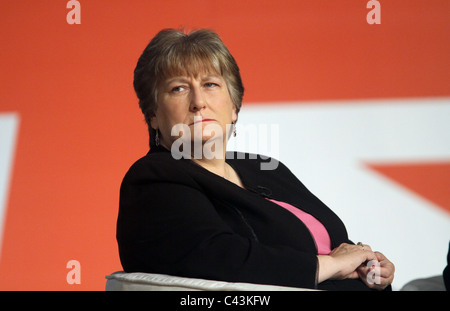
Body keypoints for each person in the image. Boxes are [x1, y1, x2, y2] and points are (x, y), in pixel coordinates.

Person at [116, 28, 395, 290]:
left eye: (211, 84)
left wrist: (369, 267)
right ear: (152, 114)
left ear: (234, 107)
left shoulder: (265, 168)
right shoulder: (153, 178)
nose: (198, 101)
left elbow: (337, 243)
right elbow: (216, 257)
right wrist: (330, 265)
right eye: (179, 88)